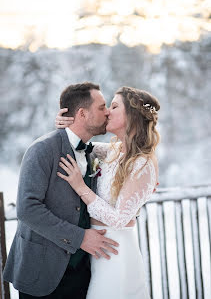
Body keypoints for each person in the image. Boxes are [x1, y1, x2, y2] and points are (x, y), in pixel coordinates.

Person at [3, 82, 119, 299]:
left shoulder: (94, 152)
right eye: (102, 107)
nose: (107, 113)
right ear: (82, 114)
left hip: (83, 273)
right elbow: (28, 209)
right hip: (42, 271)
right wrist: (80, 238)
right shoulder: (41, 150)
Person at [56, 86, 160, 299]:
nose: (107, 112)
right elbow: (81, 144)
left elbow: (120, 218)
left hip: (116, 252)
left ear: (131, 116)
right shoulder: (112, 151)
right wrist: (66, 125)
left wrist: (80, 188)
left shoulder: (141, 163)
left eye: (114, 106)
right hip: (98, 250)